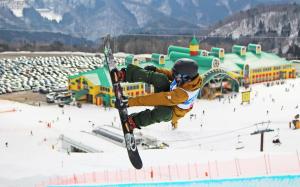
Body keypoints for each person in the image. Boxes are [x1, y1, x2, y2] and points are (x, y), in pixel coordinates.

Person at [111, 58, 202, 132]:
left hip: (173, 110)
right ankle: (124, 75)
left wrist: (130, 102)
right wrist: (156, 70)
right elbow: (171, 75)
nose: (175, 77)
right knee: (160, 78)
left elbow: (158, 99)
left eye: (177, 76)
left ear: (186, 78)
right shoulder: (189, 78)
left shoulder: (182, 94)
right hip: (170, 94)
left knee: (163, 113)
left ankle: (135, 121)